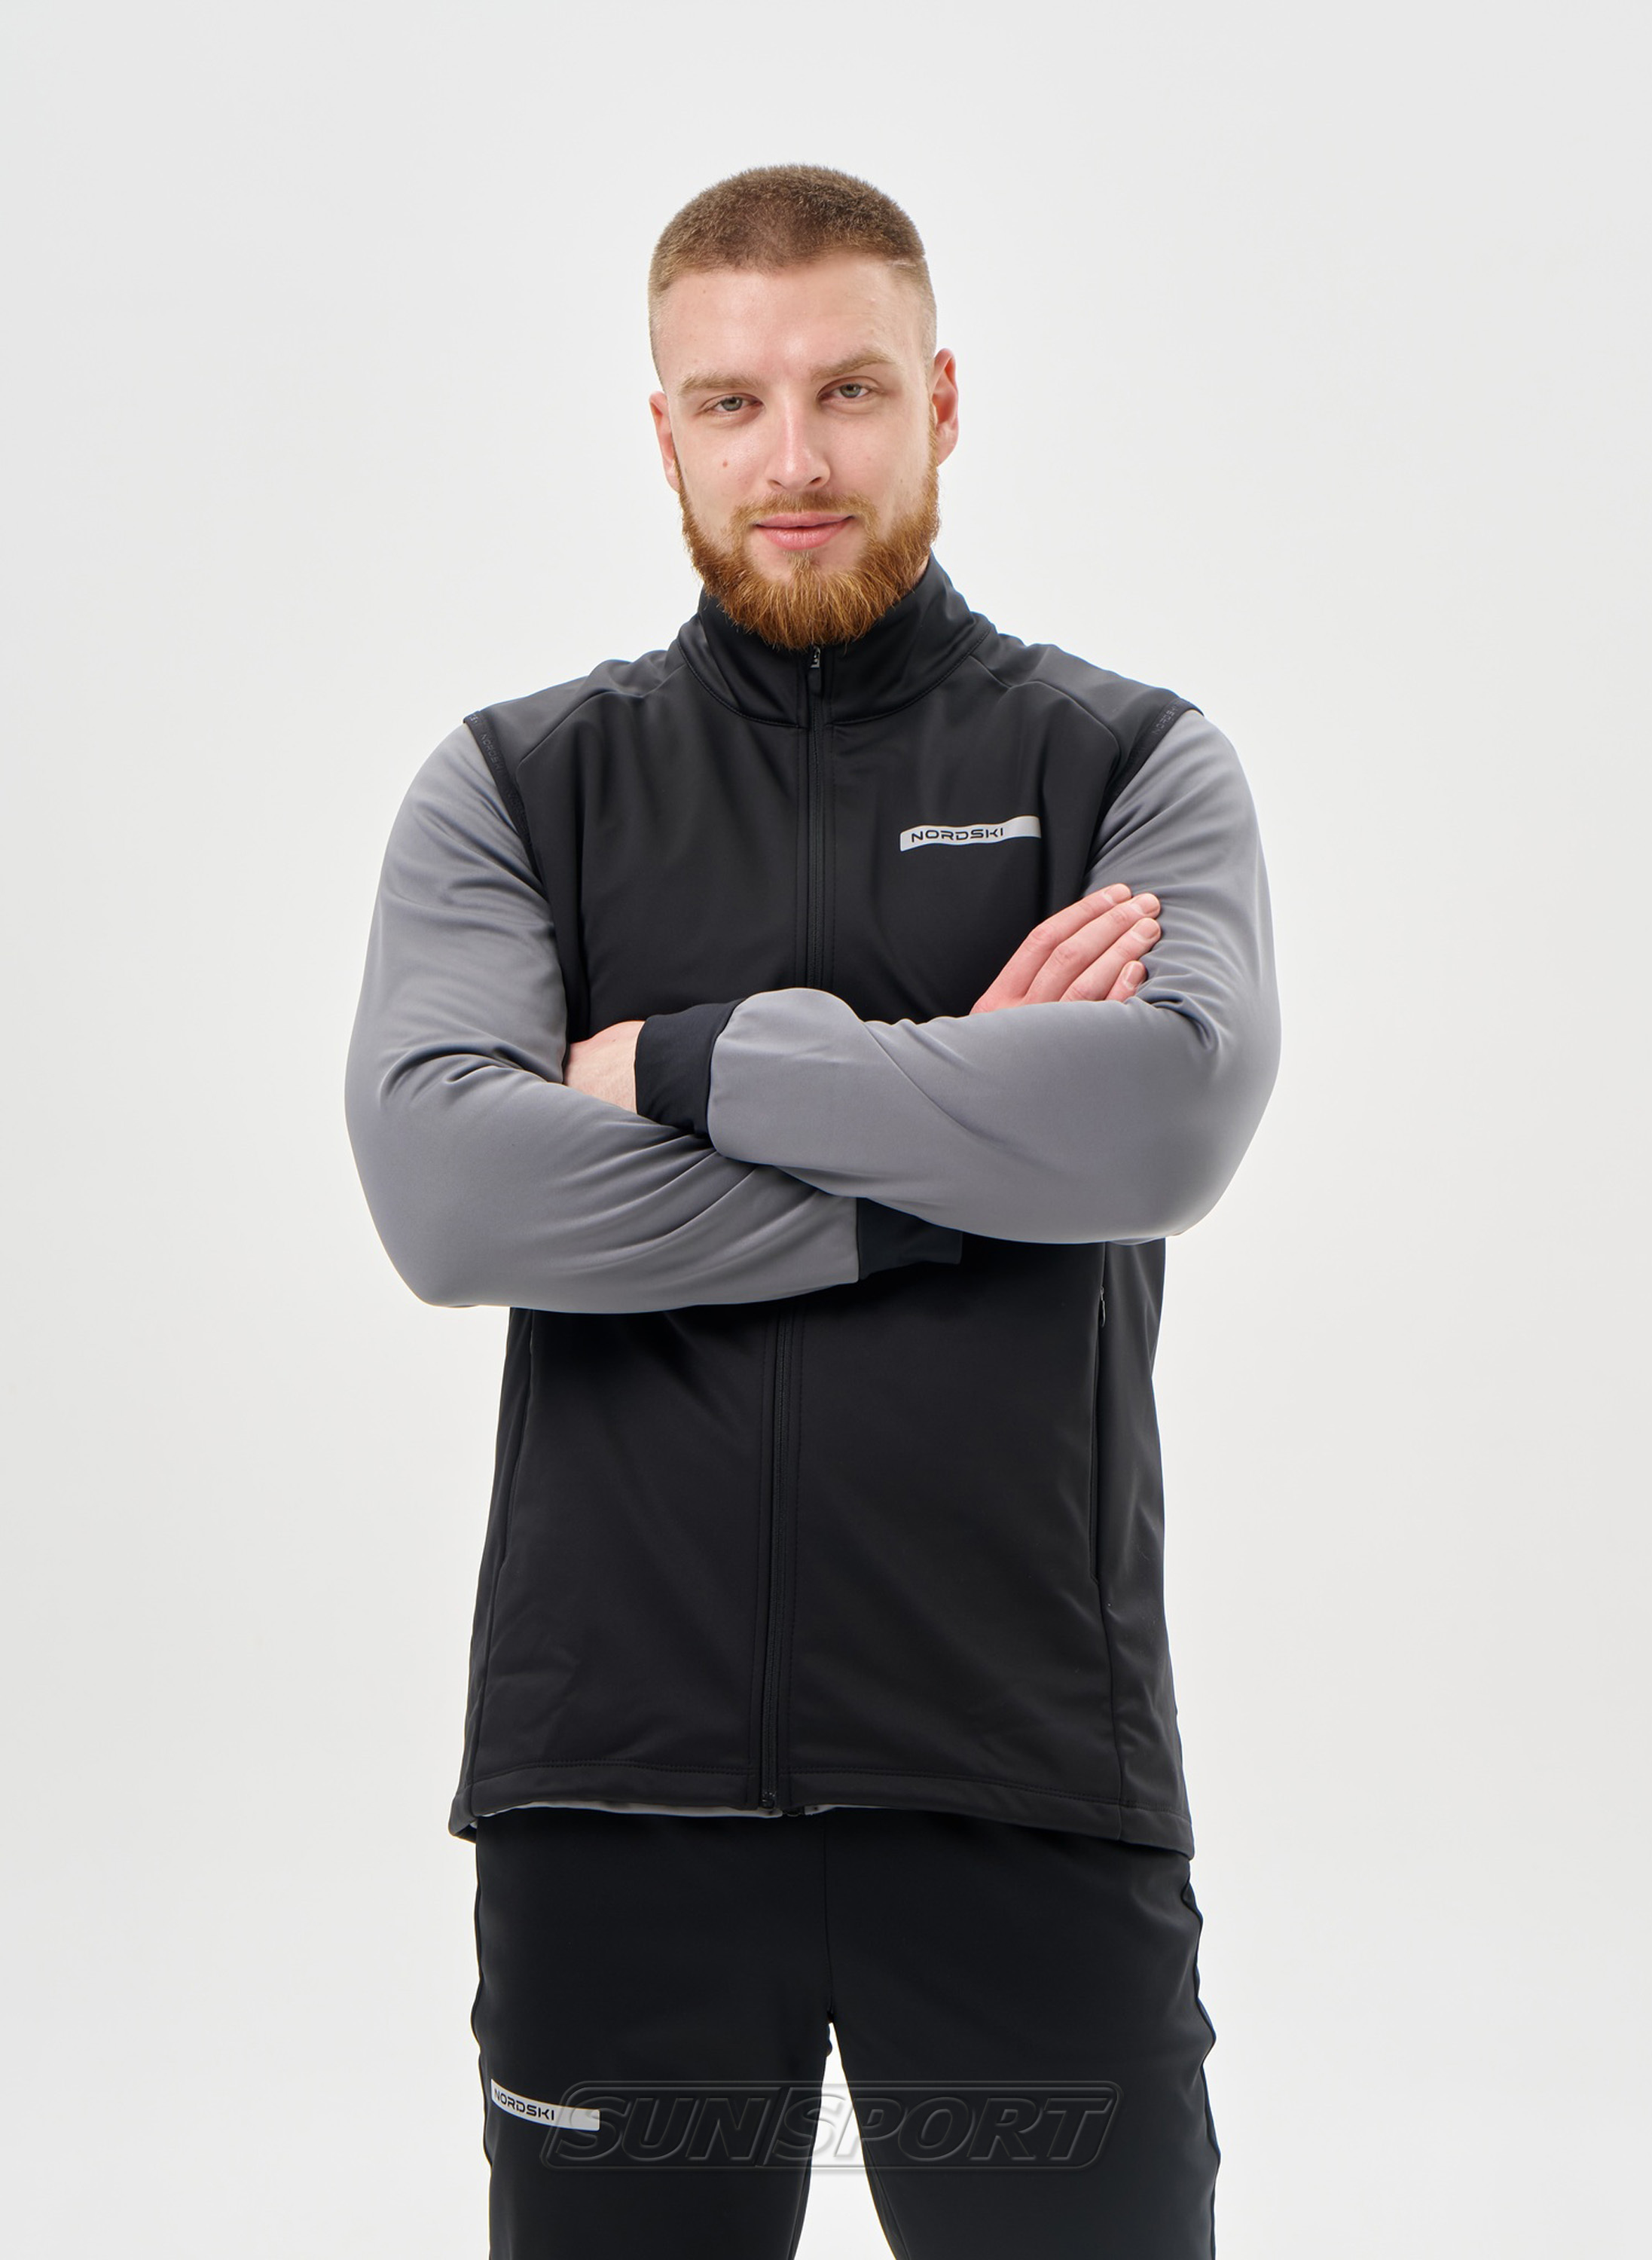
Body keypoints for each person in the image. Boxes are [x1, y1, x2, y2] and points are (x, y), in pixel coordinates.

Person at [346, 163, 1278, 2260]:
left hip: (1022, 1770)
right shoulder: (519, 787)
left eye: (849, 389)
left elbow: (1160, 1123)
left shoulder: (1127, 764)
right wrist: (967, 1162)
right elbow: (449, 1189)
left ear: (940, 400)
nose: (794, 458)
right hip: (617, 1787)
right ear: (662, 431)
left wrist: (679, 1063)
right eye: (733, 401)